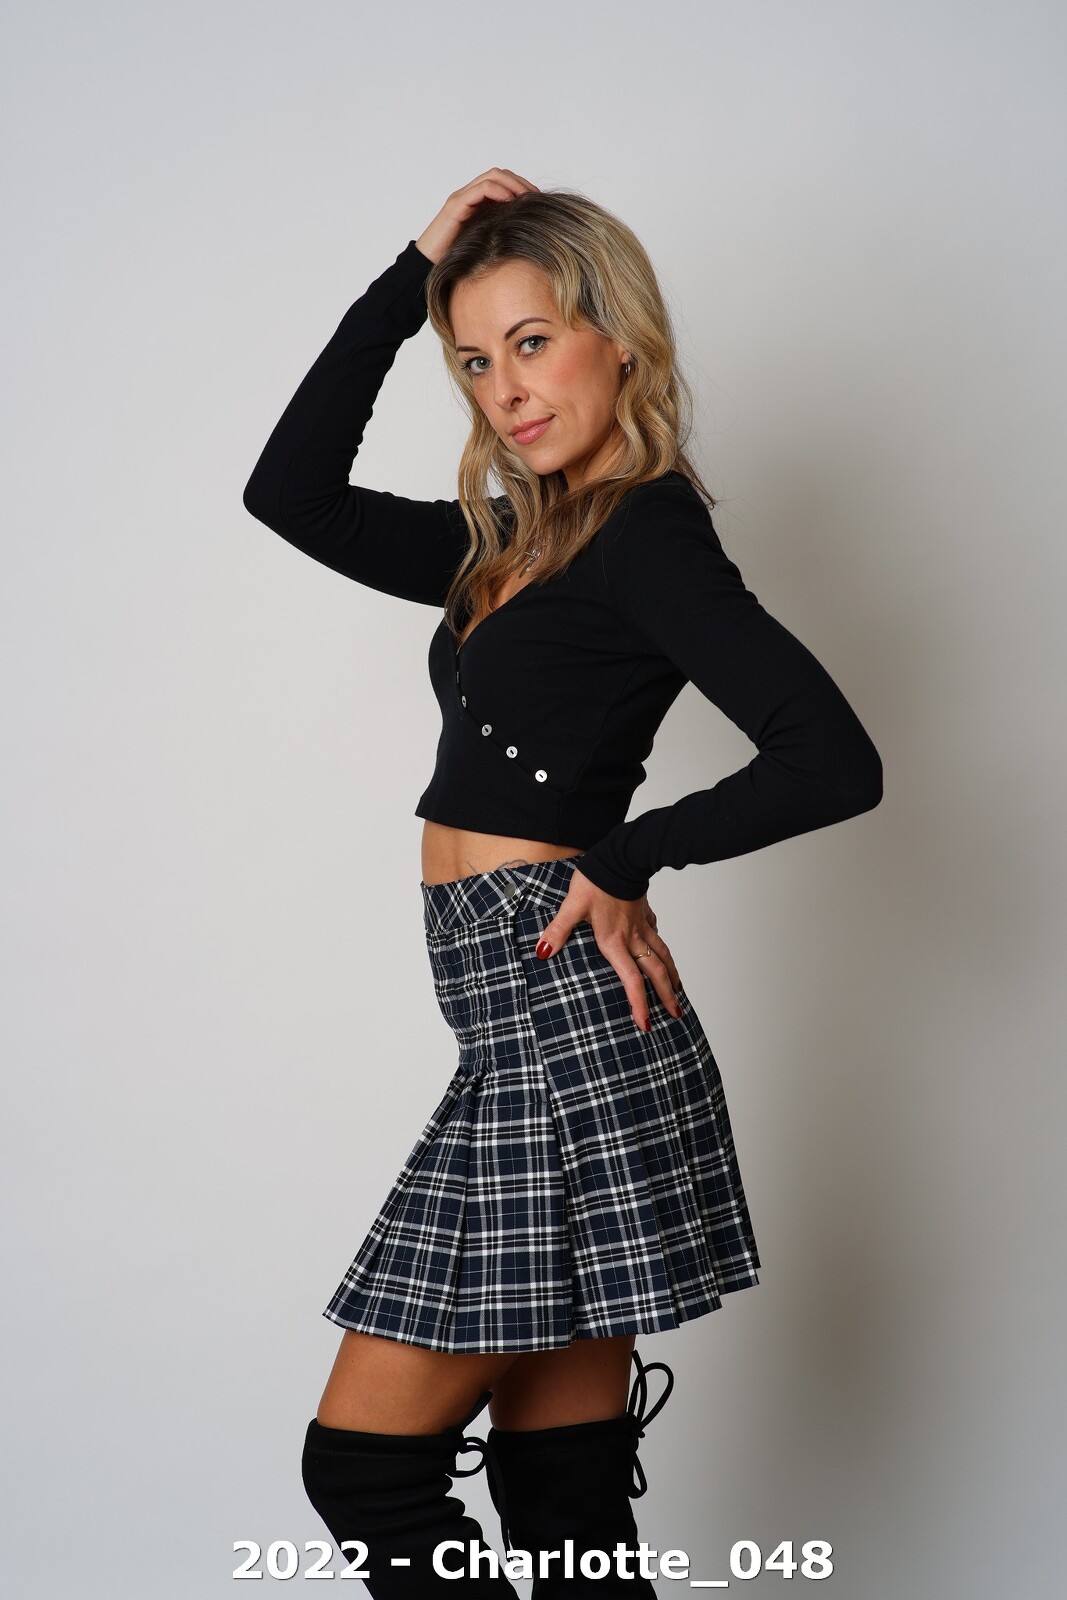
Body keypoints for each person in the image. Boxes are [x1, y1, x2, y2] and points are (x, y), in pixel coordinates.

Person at [242, 168, 883, 1595]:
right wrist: (410, 274)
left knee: (367, 1471)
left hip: (561, 1016)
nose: (507, 389)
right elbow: (286, 493)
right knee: (565, 1493)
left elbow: (834, 759)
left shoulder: (648, 530)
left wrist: (630, 854)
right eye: (477, 360)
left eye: (533, 341)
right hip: (523, 1013)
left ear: (621, 339)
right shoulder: (509, 537)